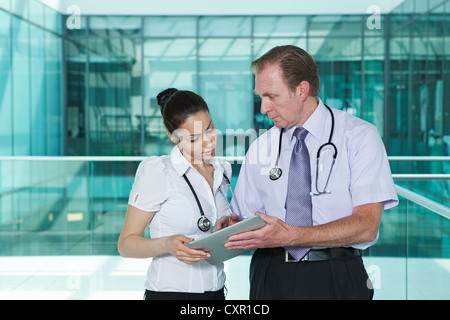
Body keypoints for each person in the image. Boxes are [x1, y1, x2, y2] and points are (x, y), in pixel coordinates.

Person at [217, 45, 398, 300]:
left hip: (336, 274)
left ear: (301, 90)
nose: (263, 108)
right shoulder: (261, 146)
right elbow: (248, 218)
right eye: (260, 97)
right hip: (270, 274)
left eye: (271, 96)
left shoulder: (358, 136)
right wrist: (231, 227)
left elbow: (367, 226)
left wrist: (292, 236)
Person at [118, 88, 231, 300]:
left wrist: (228, 227)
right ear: (173, 137)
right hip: (171, 294)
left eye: (210, 129)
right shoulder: (158, 172)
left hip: (217, 293)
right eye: (195, 138)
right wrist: (167, 244)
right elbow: (126, 244)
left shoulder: (222, 170)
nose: (209, 141)